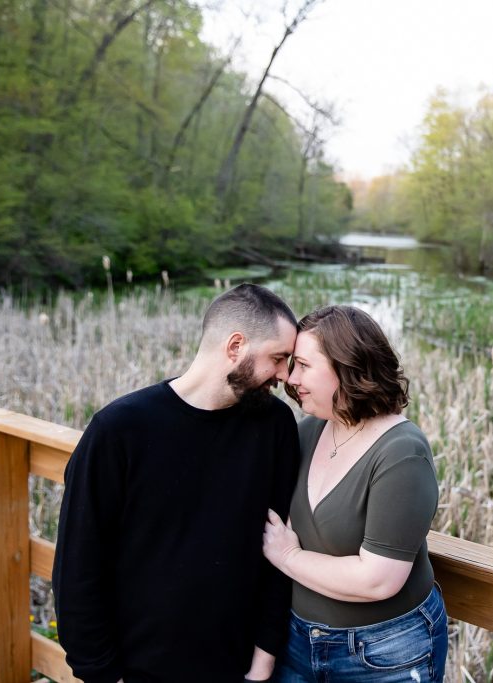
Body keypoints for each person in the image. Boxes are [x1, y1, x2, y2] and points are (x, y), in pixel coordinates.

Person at [52, 284, 301, 683]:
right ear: (235, 346)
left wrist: (262, 664)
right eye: (278, 358)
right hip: (136, 670)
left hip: (239, 669)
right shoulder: (119, 430)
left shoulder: (275, 426)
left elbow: (278, 551)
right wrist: (103, 674)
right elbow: (79, 566)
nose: (285, 375)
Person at [262, 305, 447, 682]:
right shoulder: (308, 431)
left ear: (347, 366)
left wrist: (288, 556)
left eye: (303, 365)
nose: (291, 378)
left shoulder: (401, 452)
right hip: (297, 642)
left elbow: (378, 579)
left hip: (384, 653)